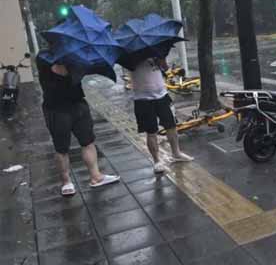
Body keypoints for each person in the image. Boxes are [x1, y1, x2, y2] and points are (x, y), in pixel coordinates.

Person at [36, 53, 120, 197]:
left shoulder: (74, 58)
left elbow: (85, 70)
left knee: (88, 142)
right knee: (61, 148)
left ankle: (96, 176)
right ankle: (66, 182)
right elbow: (54, 69)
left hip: (78, 105)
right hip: (56, 110)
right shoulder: (44, 57)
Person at [129, 57, 193, 173]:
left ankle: (176, 153)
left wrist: (161, 60)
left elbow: (165, 68)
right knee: (151, 131)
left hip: (162, 96)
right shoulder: (130, 55)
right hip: (143, 100)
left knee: (171, 125)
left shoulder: (155, 51)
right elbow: (131, 66)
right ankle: (157, 161)